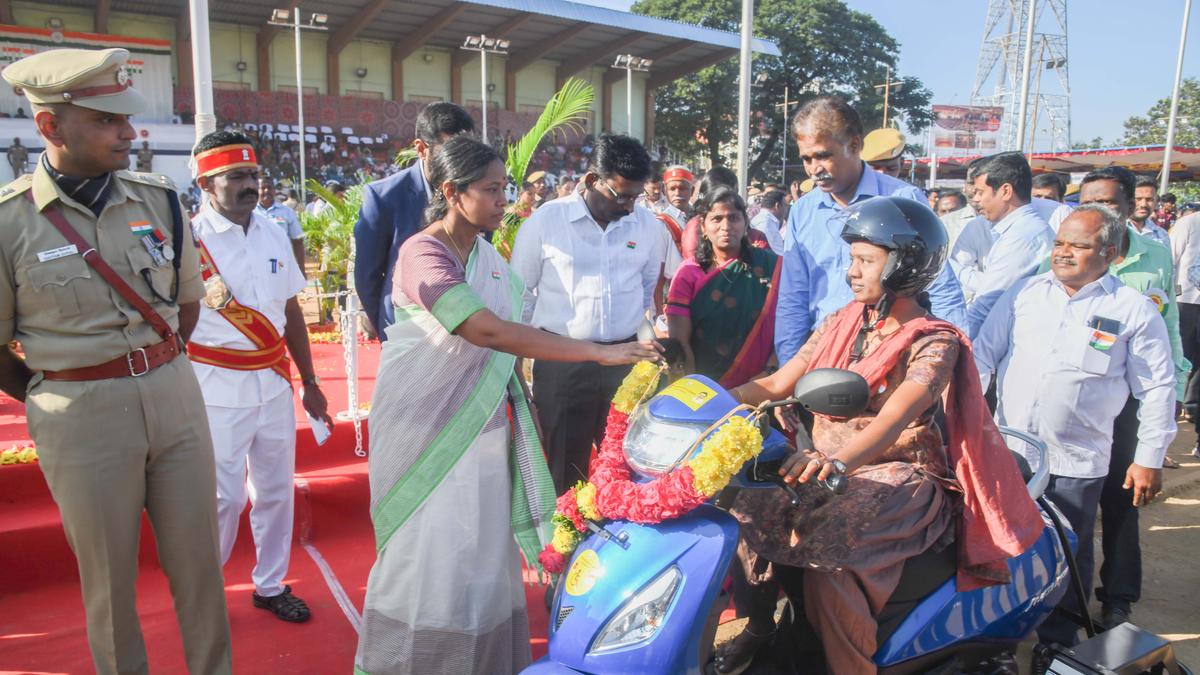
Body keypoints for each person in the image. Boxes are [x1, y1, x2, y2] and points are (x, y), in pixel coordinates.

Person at [355, 136, 659, 674]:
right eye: (492, 190)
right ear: (452, 192)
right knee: (429, 560)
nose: (504, 201)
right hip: (426, 431)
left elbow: (504, 342)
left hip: (486, 428)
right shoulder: (421, 253)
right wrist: (598, 353)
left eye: (505, 188)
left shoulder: (486, 256)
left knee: (480, 559)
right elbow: (488, 330)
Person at [726, 196, 1041, 673]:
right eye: (852, 259)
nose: (851, 271)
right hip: (823, 465)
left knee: (831, 560)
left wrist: (836, 463)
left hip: (899, 474)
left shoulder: (934, 340)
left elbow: (895, 417)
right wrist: (701, 400)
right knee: (740, 512)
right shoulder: (841, 320)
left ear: (903, 266)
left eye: (865, 261)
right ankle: (760, 628)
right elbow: (775, 384)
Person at [0, 48, 231, 673]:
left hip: (174, 396)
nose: (129, 132)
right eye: (106, 120)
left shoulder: (157, 201)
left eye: (125, 118)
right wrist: (68, 393)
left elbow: (185, 308)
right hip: (82, 416)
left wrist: (147, 371)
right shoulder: (8, 222)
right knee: (108, 588)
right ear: (50, 126)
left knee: (200, 569)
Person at [973, 204, 1176, 647]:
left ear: (1110, 252)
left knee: (1067, 551)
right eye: (1060, 243)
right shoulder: (1023, 293)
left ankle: (1058, 641)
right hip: (1012, 454)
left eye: (1078, 246)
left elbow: (1157, 389)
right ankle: (997, 636)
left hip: (1076, 460)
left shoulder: (1132, 310)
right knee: (1001, 544)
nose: (1063, 253)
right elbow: (983, 357)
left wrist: (1147, 459)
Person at [187, 130, 334, 624]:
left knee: (274, 491)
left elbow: (291, 309)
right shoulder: (189, 242)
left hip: (273, 383)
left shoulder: (273, 230)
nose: (251, 185)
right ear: (207, 183)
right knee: (221, 497)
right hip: (214, 387)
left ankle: (269, 585)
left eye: (254, 174)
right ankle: (206, 588)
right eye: (237, 176)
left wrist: (310, 381)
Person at [509, 133, 667, 493]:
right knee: (566, 467)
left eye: (635, 196)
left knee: (626, 468)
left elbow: (645, 292)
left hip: (627, 362)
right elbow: (521, 297)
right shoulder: (546, 223)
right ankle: (564, 547)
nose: (629, 206)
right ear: (592, 180)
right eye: (621, 195)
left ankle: (617, 546)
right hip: (564, 364)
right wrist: (523, 360)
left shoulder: (646, 226)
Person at [775, 96, 968, 364]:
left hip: (891, 357)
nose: (813, 169)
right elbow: (793, 298)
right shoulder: (803, 212)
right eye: (806, 159)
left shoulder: (903, 199)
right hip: (825, 354)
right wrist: (789, 370)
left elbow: (939, 284)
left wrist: (950, 363)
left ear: (854, 145)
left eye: (822, 156)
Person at [354, 102, 475, 338]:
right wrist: (387, 332)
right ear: (421, 148)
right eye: (450, 151)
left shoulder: (476, 192)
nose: (461, 162)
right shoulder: (384, 197)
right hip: (407, 331)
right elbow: (367, 279)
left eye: (467, 151)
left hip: (464, 331)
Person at [666, 187, 779, 386]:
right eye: (717, 219)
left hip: (762, 385)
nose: (726, 226)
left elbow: (789, 325)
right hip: (704, 386)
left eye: (734, 218)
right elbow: (681, 344)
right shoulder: (688, 273)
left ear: (745, 223)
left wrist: (771, 369)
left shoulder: (772, 267)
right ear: (703, 226)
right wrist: (693, 388)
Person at [947, 151, 1053, 337]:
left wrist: (959, 347)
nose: (976, 200)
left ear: (1005, 191)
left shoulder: (1022, 236)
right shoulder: (1014, 230)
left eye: (980, 192)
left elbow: (987, 301)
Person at [1171, 210, 1200, 432]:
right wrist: (1173, 295)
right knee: (1182, 356)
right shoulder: (1189, 223)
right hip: (1186, 301)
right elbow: (1171, 258)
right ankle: (1174, 405)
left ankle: (1191, 405)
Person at [256, 175, 306, 270]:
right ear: (256, 191)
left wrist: (301, 268)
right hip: (258, 267)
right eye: (262, 188)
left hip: (281, 265)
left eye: (269, 188)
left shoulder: (287, 212)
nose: (266, 190)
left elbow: (298, 242)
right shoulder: (249, 213)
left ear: (274, 191)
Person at [1130, 175, 1171, 246]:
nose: (1143, 204)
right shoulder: (1113, 231)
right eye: (1138, 199)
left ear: (1156, 202)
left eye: (1149, 199)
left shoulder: (1161, 235)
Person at [749, 188, 787, 254]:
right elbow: (765, 250)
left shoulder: (765, 220)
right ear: (777, 206)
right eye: (785, 205)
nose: (786, 209)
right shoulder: (766, 223)